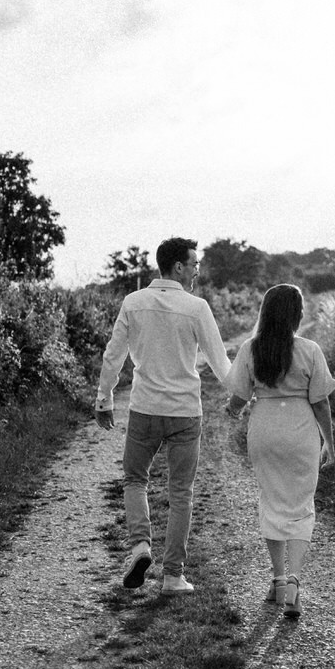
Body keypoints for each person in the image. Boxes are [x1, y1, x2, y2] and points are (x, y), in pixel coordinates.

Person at [95, 237, 231, 593]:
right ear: (178, 267)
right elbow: (220, 364)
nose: (198, 270)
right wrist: (244, 394)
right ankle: (173, 576)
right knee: (181, 492)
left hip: (144, 408)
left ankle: (141, 545)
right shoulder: (197, 308)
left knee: (135, 479)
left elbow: (114, 354)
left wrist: (104, 398)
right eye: (194, 263)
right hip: (185, 411)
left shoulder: (133, 302)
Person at [226, 284, 335, 619]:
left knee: (271, 500)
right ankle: (293, 582)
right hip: (301, 430)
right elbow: (321, 402)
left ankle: (276, 579)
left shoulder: (250, 349)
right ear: (296, 314)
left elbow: (238, 399)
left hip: (265, 428)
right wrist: (329, 441)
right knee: (301, 505)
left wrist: (230, 411)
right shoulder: (310, 350)